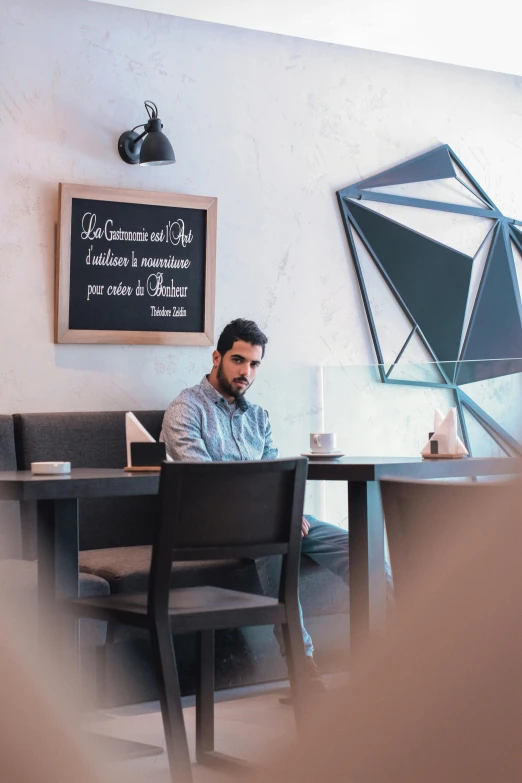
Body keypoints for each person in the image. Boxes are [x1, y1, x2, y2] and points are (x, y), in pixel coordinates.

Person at [160, 318, 350, 691]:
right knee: (277, 541)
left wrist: (288, 511)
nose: (246, 371)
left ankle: (407, 645)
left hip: (268, 519)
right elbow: (205, 482)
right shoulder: (186, 409)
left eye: (254, 364)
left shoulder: (258, 417)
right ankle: (303, 669)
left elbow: (278, 478)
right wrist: (275, 514)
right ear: (216, 357)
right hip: (211, 525)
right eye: (237, 360)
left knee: (356, 545)